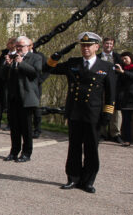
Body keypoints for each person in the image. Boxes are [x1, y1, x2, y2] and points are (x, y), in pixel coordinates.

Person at [45, 32, 116, 193]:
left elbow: (111, 94)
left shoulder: (106, 67)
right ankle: (73, 178)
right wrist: (55, 57)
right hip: (75, 111)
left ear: (96, 47)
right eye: (83, 46)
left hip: (94, 113)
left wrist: (107, 113)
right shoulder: (73, 63)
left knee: (91, 148)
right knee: (74, 147)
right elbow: (48, 69)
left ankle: (88, 181)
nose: (85, 48)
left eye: (89, 45)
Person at [0, 35, 43, 162]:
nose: (18, 49)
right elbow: (2, 76)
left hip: (27, 97)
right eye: (17, 46)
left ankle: (26, 153)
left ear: (28, 46)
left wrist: (21, 63)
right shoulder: (11, 57)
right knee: (14, 127)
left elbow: (35, 73)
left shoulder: (35, 58)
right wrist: (7, 64)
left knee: (26, 128)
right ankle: (14, 151)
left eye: (21, 46)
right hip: (13, 97)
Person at [114, 51, 133, 146]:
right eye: (122, 59)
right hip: (126, 99)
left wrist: (123, 72)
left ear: (131, 57)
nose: (124, 61)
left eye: (125, 58)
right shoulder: (121, 69)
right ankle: (127, 140)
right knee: (126, 121)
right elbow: (119, 83)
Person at [30, 40, 50, 138]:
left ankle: (37, 129)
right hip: (23, 85)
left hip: (35, 85)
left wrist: (41, 79)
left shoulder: (39, 56)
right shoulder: (21, 55)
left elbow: (47, 69)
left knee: (36, 108)